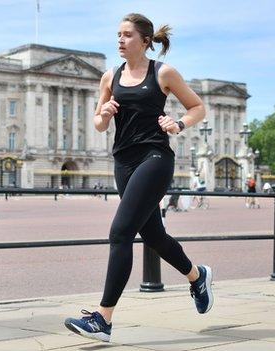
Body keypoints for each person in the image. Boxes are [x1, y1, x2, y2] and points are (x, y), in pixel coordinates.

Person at [64, 13, 214, 342]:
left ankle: (103, 319)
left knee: (120, 233)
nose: (120, 40)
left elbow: (197, 107)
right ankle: (196, 276)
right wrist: (102, 115)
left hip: (155, 157)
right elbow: (100, 125)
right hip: (124, 161)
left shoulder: (163, 72)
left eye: (127, 35)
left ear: (145, 41)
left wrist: (178, 125)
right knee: (154, 235)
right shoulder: (109, 77)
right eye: (118, 34)